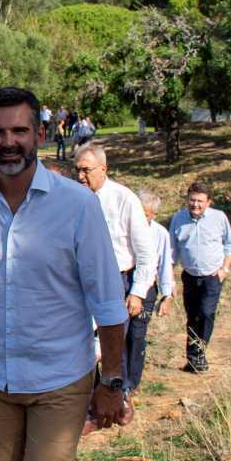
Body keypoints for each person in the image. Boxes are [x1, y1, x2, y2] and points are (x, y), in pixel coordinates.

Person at [0, 87, 128, 461]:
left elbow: (107, 301)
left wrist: (112, 381)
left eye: (19, 130)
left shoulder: (78, 204)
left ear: (41, 133)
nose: (8, 142)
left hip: (60, 376)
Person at [73, 144, 155, 396]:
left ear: (104, 169)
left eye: (86, 170)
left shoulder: (124, 199)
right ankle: (90, 397)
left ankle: (117, 397)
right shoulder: (73, 199)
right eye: (77, 170)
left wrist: (138, 292)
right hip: (82, 281)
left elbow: (145, 251)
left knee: (114, 343)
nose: (80, 176)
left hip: (118, 280)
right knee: (84, 343)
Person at [168, 182, 231, 373]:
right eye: (192, 200)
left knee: (206, 313)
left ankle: (199, 354)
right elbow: (171, 251)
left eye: (200, 201)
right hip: (189, 276)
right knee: (192, 316)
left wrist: (224, 269)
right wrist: (170, 279)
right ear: (187, 199)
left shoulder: (219, 218)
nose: (195, 205)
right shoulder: (178, 219)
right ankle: (193, 359)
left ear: (208, 202)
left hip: (212, 276)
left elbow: (229, 245)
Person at [129, 188, 176, 392]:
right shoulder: (124, 228)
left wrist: (167, 296)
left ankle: (131, 383)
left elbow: (166, 265)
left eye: (146, 215)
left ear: (153, 215)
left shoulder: (160, 234)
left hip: (147, 288)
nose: (141, 218)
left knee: (137, 335)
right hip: (124, 283)